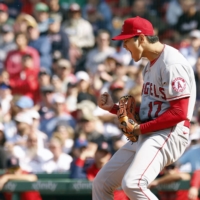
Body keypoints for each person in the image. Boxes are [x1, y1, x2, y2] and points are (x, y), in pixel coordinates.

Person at [93, 16, 196, 200]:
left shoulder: (172, 63)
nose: (123, 46)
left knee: (133, 183)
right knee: (102, 183)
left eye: (126, 41)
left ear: (140, 39)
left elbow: (179, 113)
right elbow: (147, 114)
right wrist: (113, 108)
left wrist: (140, 129)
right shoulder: (149, 66)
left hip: (170, 132)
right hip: (150, 131)